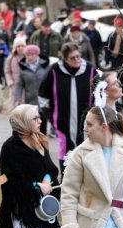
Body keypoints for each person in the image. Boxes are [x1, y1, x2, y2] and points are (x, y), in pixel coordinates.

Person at [38, 42, 95, 171]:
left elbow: (100, 92)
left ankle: (85, 175)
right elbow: (42, 95)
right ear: (64, 58)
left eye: (78, 56)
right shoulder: (53, 71)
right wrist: (49, 116)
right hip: (61, 119)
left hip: (86, 120)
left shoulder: (90, 70)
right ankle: (65, 176)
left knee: (85, 146)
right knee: (65, 147)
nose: (76, 60)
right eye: (72, 58)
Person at [5, 38, 26, 104]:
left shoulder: (28, 57)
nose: (20, 48)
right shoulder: (11, 58)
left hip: (26, 86)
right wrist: (10, 82)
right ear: (15, 48)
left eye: (22, 46)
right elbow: (7, 71)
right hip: (14, 85)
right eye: (18, 46)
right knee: (16, 105)